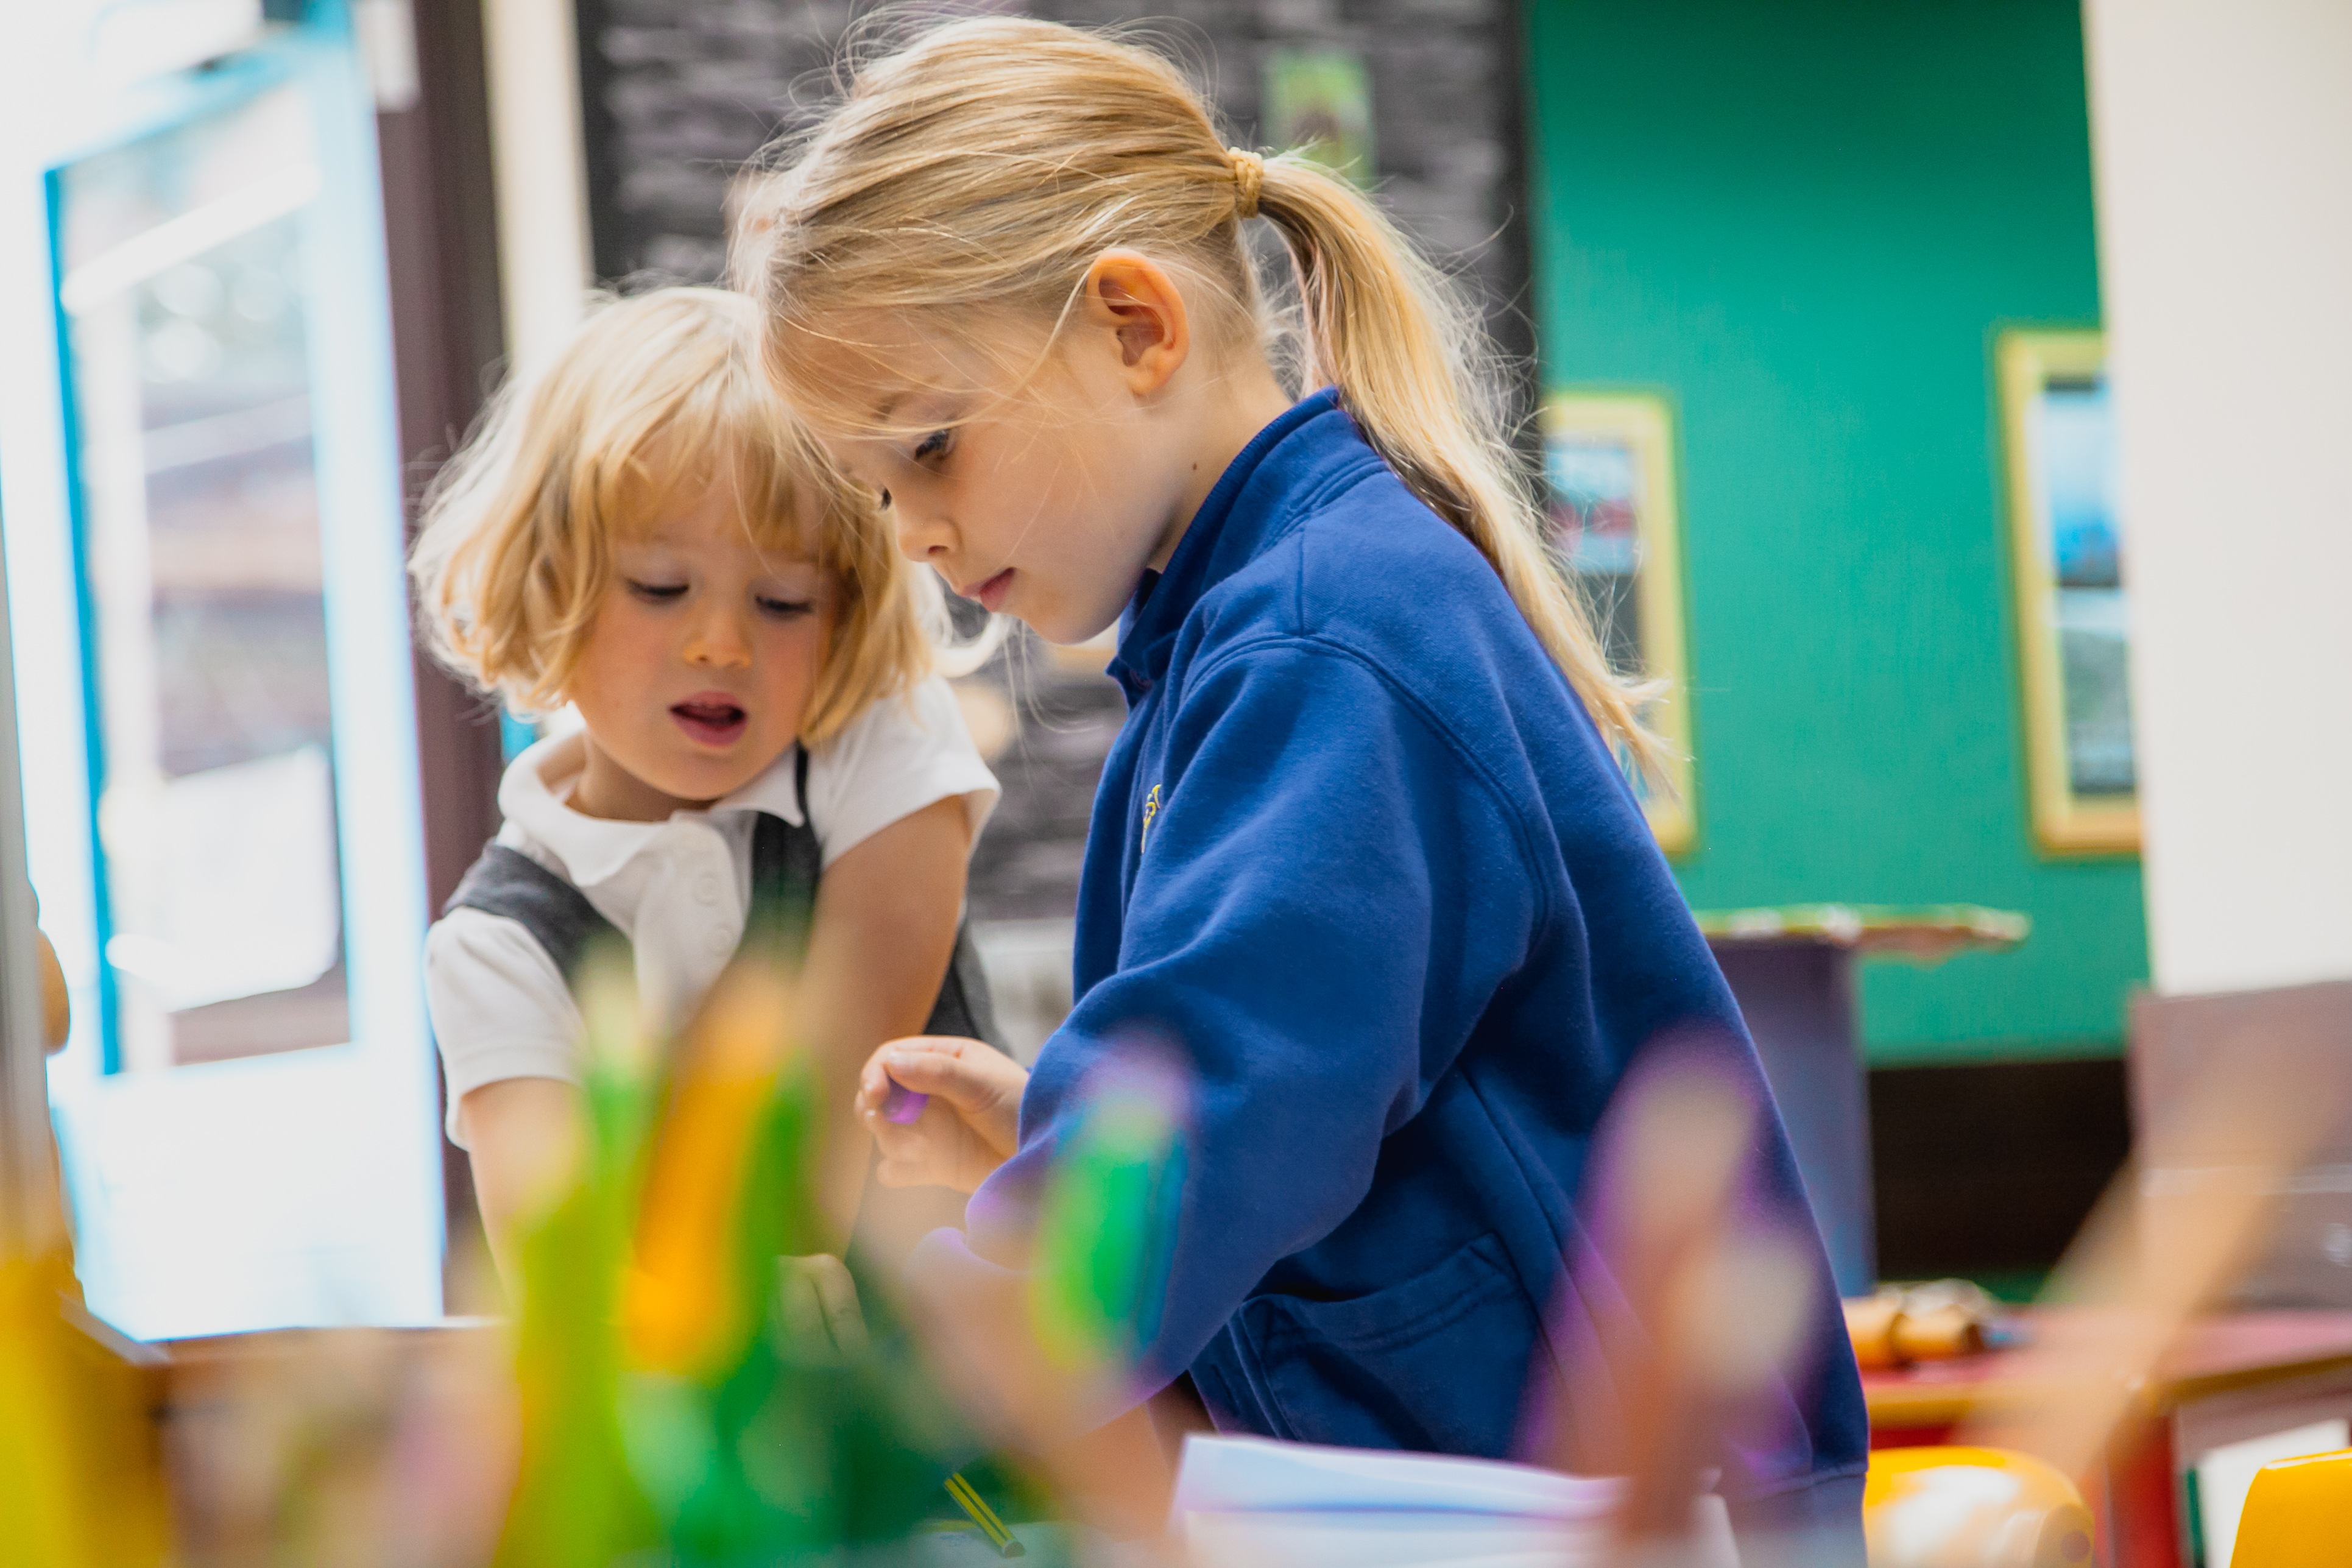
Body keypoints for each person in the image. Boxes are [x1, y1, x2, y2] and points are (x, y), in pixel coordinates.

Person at [743, 17, 1869, 1548]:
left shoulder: (1314, 639)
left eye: (931, 449)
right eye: (883, 494)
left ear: (1135, 326)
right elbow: (1317, 1075)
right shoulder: (1254, 624)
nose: (917, 537)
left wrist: (881, 1397)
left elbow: (1226, 1107)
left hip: (1633, 1506)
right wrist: (1053, 1130)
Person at [409, 288, 1001, 1285]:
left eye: (782, 601)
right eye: (658, 586)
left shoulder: (877, 740)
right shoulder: (496, 947)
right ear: (549, 580)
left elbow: (818, 1146)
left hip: (970, 1404)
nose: (720, 642)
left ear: (845, 612)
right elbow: (570, 1291)